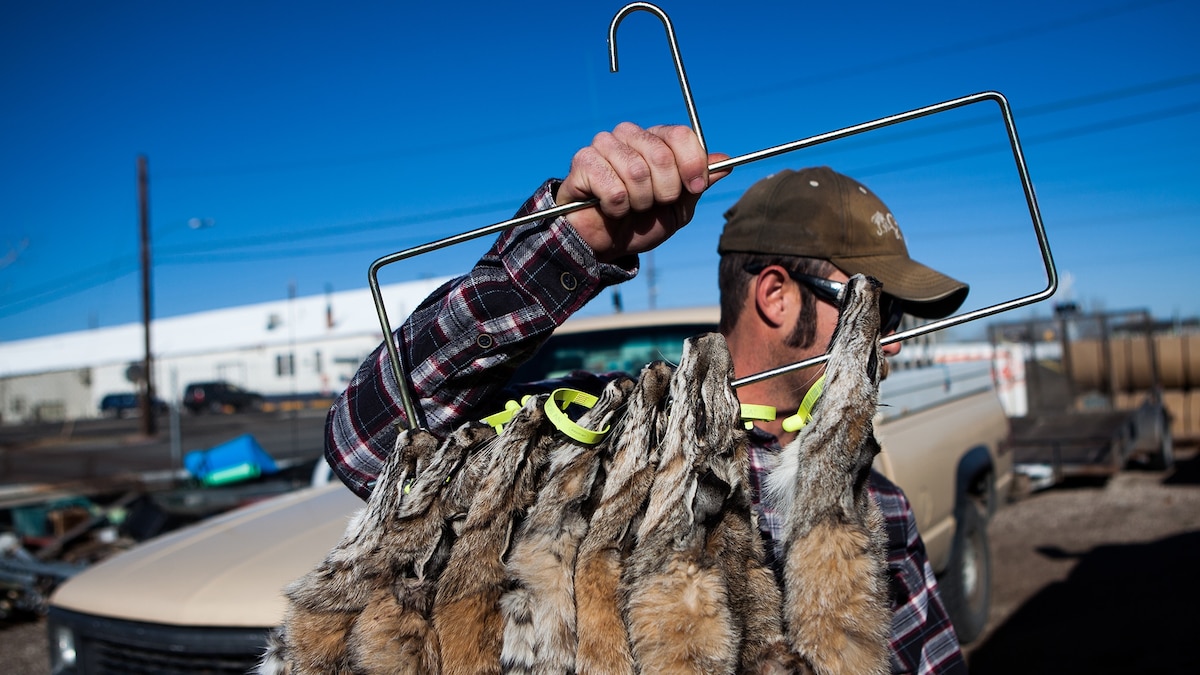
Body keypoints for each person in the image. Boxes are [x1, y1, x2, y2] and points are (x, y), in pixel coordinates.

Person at [325, 122, 969, 674]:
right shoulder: (606, 453)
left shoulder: (875, 501)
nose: (892, 345)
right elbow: (371, 446)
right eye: (877, 313)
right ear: (776, 296)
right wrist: (568, 247)